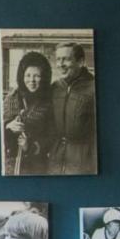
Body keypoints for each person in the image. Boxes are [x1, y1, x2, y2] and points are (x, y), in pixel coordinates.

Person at [2, 52, 55, 175]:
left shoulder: (48, 102)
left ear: (44, 77)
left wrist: (30, 146)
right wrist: (7, 126)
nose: (32, 80)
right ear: (22, 76)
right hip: (10, 164)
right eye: (28, 75)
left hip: (36, 166)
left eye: (37, 76)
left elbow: (52, 136)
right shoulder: (11, 97)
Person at [48, 42, 97, 175]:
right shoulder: (55, 88)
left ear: (80, 62)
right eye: (58, 59)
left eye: (66, 59)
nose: (61, 64)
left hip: (83, 162)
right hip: (56, 161)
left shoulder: (94, 88)